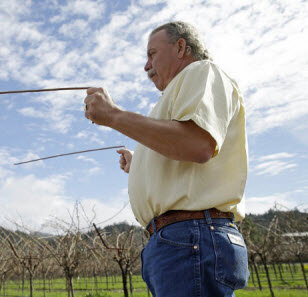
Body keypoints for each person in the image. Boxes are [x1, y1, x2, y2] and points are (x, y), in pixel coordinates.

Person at [83, 21, 249, 297]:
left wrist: (114, 116)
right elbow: (183, 151)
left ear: (181, 47)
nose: (146, 65)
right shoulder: (173, 97)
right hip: (180, 240)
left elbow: (196, 144)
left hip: (191, 237)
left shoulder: (201, 72)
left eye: (152, 54)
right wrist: (141, 165)